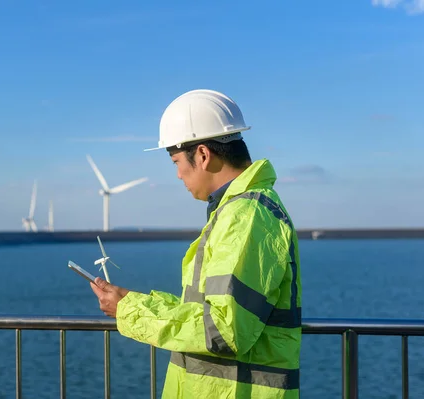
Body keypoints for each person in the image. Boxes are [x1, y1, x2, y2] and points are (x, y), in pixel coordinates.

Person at [90, 89, 302, 399]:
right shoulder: (239, 212)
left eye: (176, 161)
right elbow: (212, 313)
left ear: (202, 155)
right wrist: (135, 301)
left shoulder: (246, 217)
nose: (177, 175)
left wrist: (132, 312)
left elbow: (224, 332)